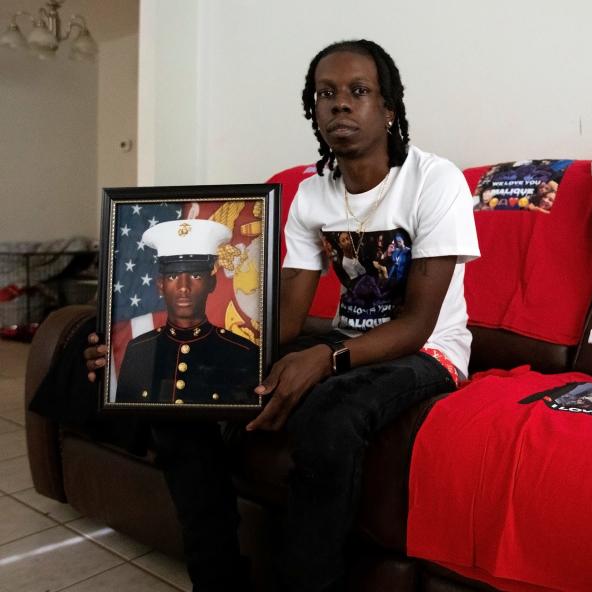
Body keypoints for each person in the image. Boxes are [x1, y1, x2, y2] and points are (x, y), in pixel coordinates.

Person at [83, 39, 479, 591]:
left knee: (330, 418)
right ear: (312, 111)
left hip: (428, 351)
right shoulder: (312, 194)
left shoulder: (434, 181)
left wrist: (327, 358)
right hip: (346, 338)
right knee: (180, 400)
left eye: (358, 92)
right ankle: (218, 578)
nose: (340, 104)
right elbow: (285, 321)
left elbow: (417, 323)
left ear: (389, 110)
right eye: (326, 94)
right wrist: (140, 344)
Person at [114, 218, 259, 405]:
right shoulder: (138, 350)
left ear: (212, 283)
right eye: (173, 276)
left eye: (195, 275)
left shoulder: (242, 352)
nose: (184, 287)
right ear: (160, 285)